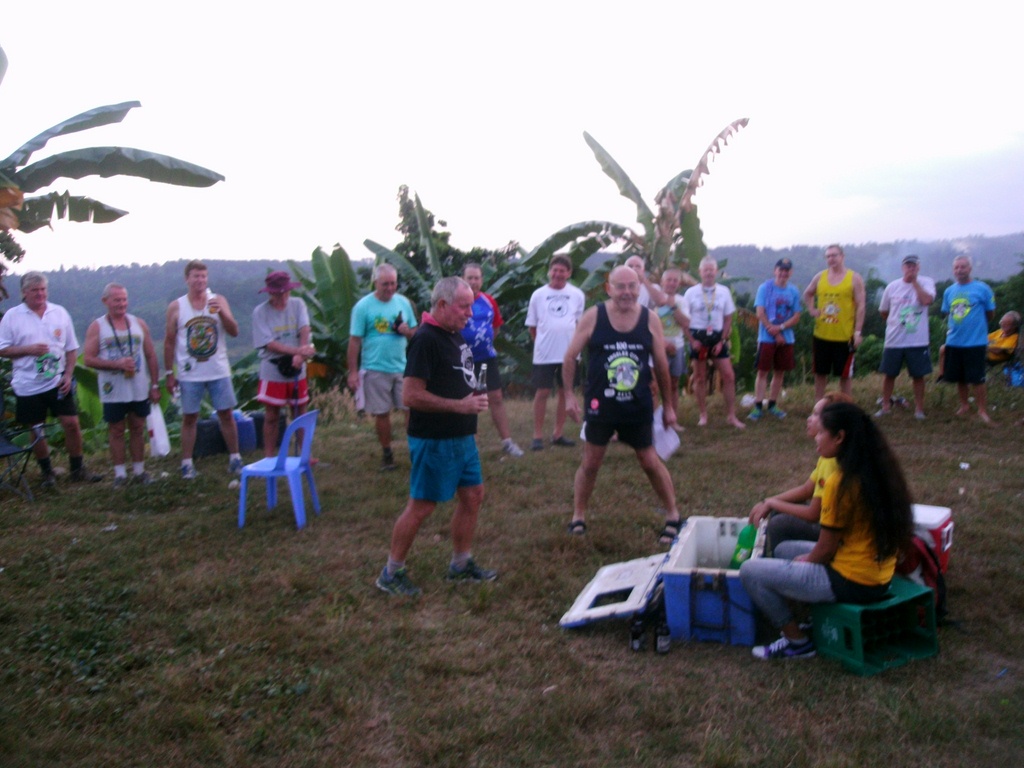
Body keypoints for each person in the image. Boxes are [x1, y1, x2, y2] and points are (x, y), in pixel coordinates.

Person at [740, 402, 914, 660]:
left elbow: (825, 549)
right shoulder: (878, 470)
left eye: (821, 432)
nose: (816, 438)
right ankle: (814, 618)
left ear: (839, 437)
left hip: (852, 581)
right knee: (784, 549)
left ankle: (796, 641)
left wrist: (808, 561)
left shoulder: (840, 483)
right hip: (878, 576)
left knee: (750, 571)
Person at [375, 277, 494, 597]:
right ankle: (391, 573)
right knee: (422, 506)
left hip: (462, 437)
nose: (470, 313)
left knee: (473, 496)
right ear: (442, 305)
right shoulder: (426, 339)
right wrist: (460, 406)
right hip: (435, 439)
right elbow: (411, 396)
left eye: (471, 306)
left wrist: (470, 402)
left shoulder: (453, 334)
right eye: (464, 306)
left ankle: (460, 564)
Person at [562, 265, 683, 543]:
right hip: (600, 404)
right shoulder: (594, 316)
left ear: (639, 288)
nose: (627, 292)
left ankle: (673, 514)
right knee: (591, 462)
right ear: (609, 289)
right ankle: (578, 515)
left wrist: (668, 407)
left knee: (649, 461)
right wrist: (568, 395)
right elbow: (570, 357)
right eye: (620, 286)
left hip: (637, 404)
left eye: (632, 286)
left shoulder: (650, 319)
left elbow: (661, 365)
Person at [0, 271, 102, 486]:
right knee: (36, 429)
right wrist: (29, 350)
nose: (40, 294)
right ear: (24, 293)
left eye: (43, 290)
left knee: (71, 423)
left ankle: (77, 469)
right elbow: (3, 350)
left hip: (57, 381)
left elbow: (72, 349)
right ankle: (47, 473)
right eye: (35, 290)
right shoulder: (12, 316)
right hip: (27, 384)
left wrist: (68, 375)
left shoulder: (59, 313)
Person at [164, 259, 243, 479]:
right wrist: (169, 373)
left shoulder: (219, 300)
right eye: (196, 276)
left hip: (218, 369)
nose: (200, 280)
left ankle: (235, 458)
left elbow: (234, 331)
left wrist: (221, 312)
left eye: (203, 276)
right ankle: (187, 464)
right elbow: (169, 341)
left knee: (226, 414)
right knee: (189, 417)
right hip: (189, 372)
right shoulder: (177, 306)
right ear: (187, 279)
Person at [748, 392, 854, 554]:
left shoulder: (832, 462)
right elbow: (807, 490)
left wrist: (772, 503)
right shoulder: (828, 456)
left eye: (816, 414)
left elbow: (813, 514)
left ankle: (784, 562)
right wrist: (768, 501)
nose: (809, 419)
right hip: (829, 524)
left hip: (837, 535)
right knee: (779, 510)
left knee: (779, 524)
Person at [82, 282, 161, 486]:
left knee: (137, 427)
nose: (121, 304)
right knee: (116, 430)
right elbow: (88, 359)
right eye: (117, 300)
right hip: (113, 389)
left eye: (124, 299)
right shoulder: (98, 326)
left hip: (138, 387)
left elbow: (151, 355)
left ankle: (139, 471)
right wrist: (116, 364)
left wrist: (154, 384)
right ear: (105, 301)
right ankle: (120, 475)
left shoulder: (138, 323)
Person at [347, 264, 418, 470]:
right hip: (375, 368)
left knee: (411, 409)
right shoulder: (363, 306)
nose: (390, 288)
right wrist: (353, 372)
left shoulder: (403, 303)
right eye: (385, 284)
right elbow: (354, 341)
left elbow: (416, 333)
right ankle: (387, 453)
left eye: (393, 283)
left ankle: (416, 451)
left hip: (402, 367)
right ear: (375, 283)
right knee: (382, 413)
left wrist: (407, 331)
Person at [460, 263, 524, 457]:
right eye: (469, 278)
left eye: (476, 278)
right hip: (464, 361)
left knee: (495, 398)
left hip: (487, 359)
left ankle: (507, 442)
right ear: (463, 279)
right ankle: (469, 444)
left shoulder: (489, 301)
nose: (473, 282)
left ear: (482, 280)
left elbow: (495, 328)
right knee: (468, 401)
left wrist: (483, 342)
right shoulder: (456, 301)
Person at [252, 271, 316, 458]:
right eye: (278, 293)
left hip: (297, 366)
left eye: (285, 292)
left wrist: (301, 353)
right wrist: (298, 352)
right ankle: (269, 457)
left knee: (300, 412)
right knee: (272, 415)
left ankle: (305, 455)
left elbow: (304, 328)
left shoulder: (298, 304)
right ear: (270, 293)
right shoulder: (260, 312)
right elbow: (269, 343)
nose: (282, 296)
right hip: (273, 366)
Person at [525, 255, 585, 451]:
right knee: (542, 392)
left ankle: (558, 434)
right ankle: (537, 436)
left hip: (569, 355)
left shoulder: (577, 295)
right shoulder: (538, 295)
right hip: (544, 354)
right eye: (555, 270)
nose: (558, 274)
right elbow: (532, 327)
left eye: (562, 271)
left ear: (569, 273)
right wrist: (543, 344)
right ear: (550, 271)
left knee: (564, 393)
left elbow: (579, 324)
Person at [680, 256, 745, 429]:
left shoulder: (724, 291)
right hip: (697, 337)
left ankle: (731, 415)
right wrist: (691, 340)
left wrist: (722, 340)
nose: (708, 273)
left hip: (717, 338)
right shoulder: (691, 293)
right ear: (700, 272)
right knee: (700, 378)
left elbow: (728, 318)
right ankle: (703, 414)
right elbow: (683, 319)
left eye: (711, 270)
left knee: (729, 376)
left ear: (716, 272)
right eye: (705, 270)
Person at [802, 244, 866, 399]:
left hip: (844, 336)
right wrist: (811, 309)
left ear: (842, 256)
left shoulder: (854, 278)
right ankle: (819, 405)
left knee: (844, 375)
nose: (831, 259)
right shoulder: (820, 277)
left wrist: (858, 332)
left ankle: (845, 405)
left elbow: (861, 305)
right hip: (821, 335)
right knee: (820, 373)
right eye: (828, 256)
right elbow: (808, 293)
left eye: (834, 255)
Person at [876, 254, 935, 419]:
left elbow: (926, 300)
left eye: (914, 266)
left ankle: (919, 409)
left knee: (918, 375)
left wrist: (914, 282)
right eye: (908, 266)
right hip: (894, 340)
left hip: (917, 340)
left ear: (918, 267)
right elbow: (883, 311)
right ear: (902, 268)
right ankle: (885, 406)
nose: (911, 269)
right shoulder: (892, 287)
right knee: (889, 374)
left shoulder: (927, 282)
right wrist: (895, 323)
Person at [939, 255, 996, 423]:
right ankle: (964, 405)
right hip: (955, 341)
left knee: (977, 378)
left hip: (975, 342)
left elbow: (990, 313)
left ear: (970, 268)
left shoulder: (982, 288)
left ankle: (982, 410)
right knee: (960, 377)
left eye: (963, 267)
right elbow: (947, 312)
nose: (959, 270)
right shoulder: (949, 291)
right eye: (956, 267)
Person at [749, 258, 801, 421]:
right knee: (763, 371)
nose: (783, 273)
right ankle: (758, 405)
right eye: (781, 270)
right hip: (766, 337)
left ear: (790, 272)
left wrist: (781, 328)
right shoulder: (765, 288)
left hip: (787, 338)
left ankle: (772, 404)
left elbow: (797, 315)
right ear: (775, 271)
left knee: (779, 372)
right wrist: (774, 332)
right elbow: (760, 313)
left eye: (786, 270)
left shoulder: (793, 291)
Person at [655, 267, 691, 419]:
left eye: (675, 280)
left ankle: (672, 418)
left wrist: (673, 307)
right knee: (655, 385)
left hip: (678, 346)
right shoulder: (654, 298)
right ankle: (655, 419)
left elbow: (686, 323)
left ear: (679, 284)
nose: (671, 283)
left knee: (674, 384)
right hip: (657, 346)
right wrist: (662, 342)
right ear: (662, 282)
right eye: (668, 280)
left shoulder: (682, 301)